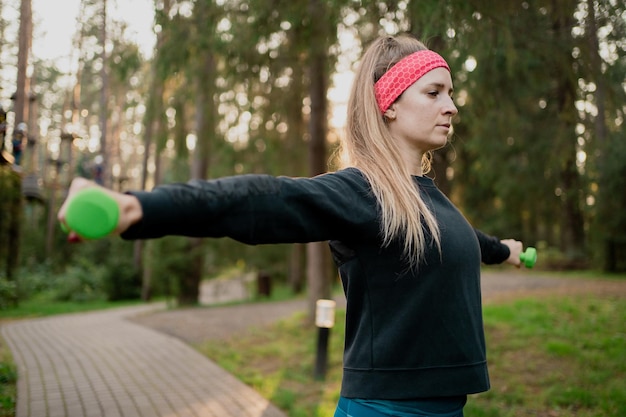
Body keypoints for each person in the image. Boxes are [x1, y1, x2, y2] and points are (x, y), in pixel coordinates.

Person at [59, 34, 524, 417]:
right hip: (386, 410)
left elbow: (467, 241)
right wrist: (141, 207)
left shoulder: (429, 199)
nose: (452, 106)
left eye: (450, 93)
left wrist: (505, 250)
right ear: (389, 105)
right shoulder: (364, 193)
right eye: (434, 92)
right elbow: (264, 199)